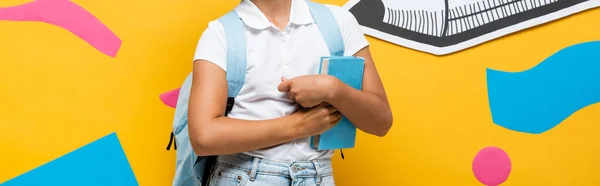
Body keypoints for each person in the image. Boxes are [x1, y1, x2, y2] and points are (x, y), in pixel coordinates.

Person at [187, 0, 393, 185]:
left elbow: (381, 121)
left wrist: (332, 89)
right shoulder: (220, 34)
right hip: (243, 175)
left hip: (319, 175)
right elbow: (204, 137)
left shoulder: (338, 23)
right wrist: (300, 125)